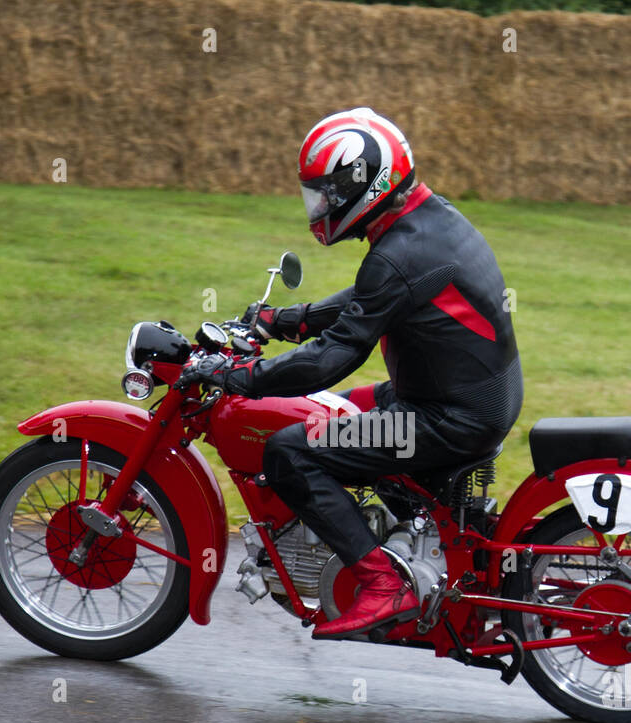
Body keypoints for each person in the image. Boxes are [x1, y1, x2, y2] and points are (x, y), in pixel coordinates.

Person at [183, 107, 523, 640]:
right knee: (335, 412)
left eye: (329, 191)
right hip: (456, 398)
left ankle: (384, 583)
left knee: (292, 450)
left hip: (442, 418)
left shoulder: (399, 253)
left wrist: (241, 377)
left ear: (366, 183)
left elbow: (332, 358)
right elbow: (373, 299)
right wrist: (284, 321)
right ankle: (402, 534)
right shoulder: (427, 221)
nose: (320, 205)